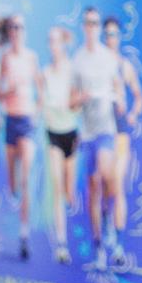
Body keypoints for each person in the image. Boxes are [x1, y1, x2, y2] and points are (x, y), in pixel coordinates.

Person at [69, 7, 123, 270]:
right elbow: (71, 101)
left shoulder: (108, 58)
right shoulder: (77, 61)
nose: (92, 27)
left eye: (95, 23)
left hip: (106, 130)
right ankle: (99, 245)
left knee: (106, 176)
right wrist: (81, 98)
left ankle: (110, 225)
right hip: (87, 133)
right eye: (88, 23)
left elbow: (117, 85)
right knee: (93, 188)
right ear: (83, 27)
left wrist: (121, 100)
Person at [0, 13, 43, 260]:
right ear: (9, 31)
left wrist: (36, 112)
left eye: (21, 27)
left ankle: (24, 235)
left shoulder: (32, 58)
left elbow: (41, 89)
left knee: (26, 180)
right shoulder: (5, 59)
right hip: (11, 122)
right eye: (13, 27)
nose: (17, 31)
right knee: (13, 185)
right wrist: (9, 90)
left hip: (26, 122)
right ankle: (13, 194)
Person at [102, 15, 142, 269]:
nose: (111, 39)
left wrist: (132, 113)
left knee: (117, 186)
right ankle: (105, 229)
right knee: (104, 188)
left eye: (114, 35)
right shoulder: (96, 64)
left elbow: (139, 97)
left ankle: (117, 245)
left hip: (119, 132)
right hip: (100, 131)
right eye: (107, 34)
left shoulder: (124, 66)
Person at [40, 24, 80, 264]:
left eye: (57, 41)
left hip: (70, 132)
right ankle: (62, 244)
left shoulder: (72, 70)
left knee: (68, 193)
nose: (53, 46)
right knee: (56, 188)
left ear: (63, 44)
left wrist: (73, 103)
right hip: (52, 133)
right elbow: (41, 101)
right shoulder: (45, 73)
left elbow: (77, 103)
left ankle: (72, 205)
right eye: (50, 41)